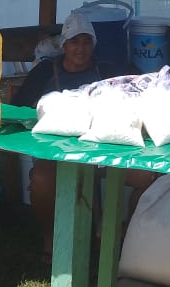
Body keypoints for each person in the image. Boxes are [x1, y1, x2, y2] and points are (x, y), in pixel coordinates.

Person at [12, 13, 154, 262]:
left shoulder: (106, 71)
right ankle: (51, 240)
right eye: (75, 42)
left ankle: (123, 233)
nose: (81, 48)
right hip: (57, 153)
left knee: (148, 177)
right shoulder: (46, 72)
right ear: (64, 45)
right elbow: (19, 108)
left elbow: (133, 94)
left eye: (87, 42)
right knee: (41, 181)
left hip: (103, 153)